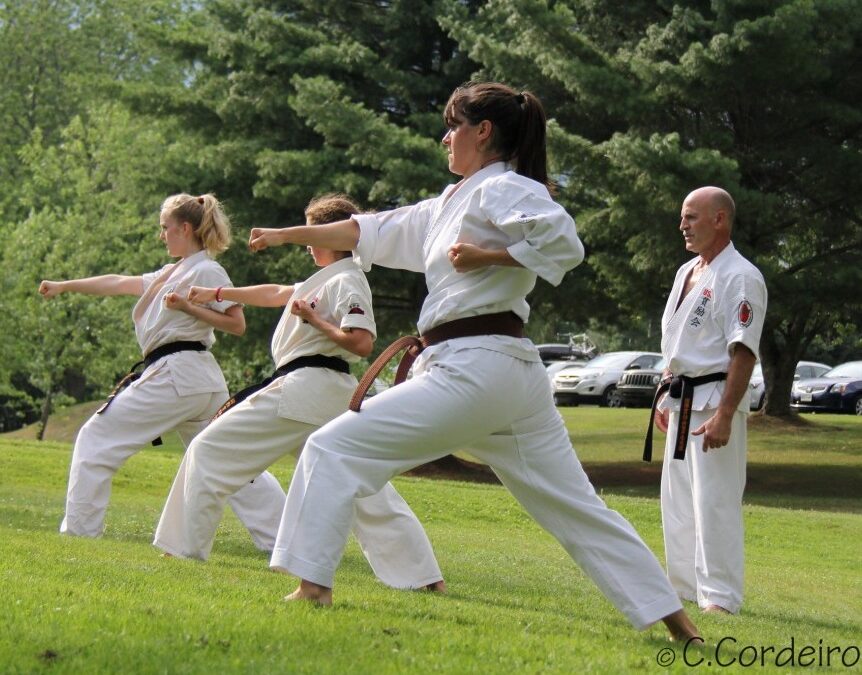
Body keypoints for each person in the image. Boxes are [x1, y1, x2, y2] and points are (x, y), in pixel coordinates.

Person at [246, 82, 700, 640]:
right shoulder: (450, 203)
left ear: (482, 132)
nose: (444, 137)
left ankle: (312, 588)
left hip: (477, 366)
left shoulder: (502, 187)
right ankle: (681, 627)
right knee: (576, 505)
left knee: (330, 447)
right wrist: (287, 234)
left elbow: (563, 242)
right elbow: (371, 229)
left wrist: (490, 253)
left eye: (452, 125)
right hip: (502, 373)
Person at [153, 195, 445, 592]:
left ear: (333, 236)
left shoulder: (345, 279)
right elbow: (277, 293)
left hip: (305, 389)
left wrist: (314, 321)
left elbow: (361, 342)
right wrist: (219, 295)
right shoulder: (330, 277)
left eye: (313, 233)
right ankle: (423, 578)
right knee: (364, 489)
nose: (308, 243)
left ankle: (182, 551)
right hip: (323, 393)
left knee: (209, 451)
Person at [39, 193, 284, 549]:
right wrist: (66, 286)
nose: (161, 235)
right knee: (226, 460)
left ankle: (79, 535)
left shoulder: (207, 269)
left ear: (184, 228)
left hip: (178, 374)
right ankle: (283, 539)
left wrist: (188, 307)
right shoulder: (173, 271)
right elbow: (118, 282)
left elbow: (236, 324)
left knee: (96, 438)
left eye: (164, 228)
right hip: (197, 380)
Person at [648, 186, 767, 615]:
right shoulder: (686, 272)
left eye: (692, 217)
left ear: (720, 219)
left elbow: (744, 350)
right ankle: (680, 587)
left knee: (714, 502)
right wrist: (665, 394)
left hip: (714, 402)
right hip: (681, 401)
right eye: (683, 217)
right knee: (677, 502)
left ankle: (719, 597)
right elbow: (677, 344)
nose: (683, 225)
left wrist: (725, 415)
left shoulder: (741, 275)